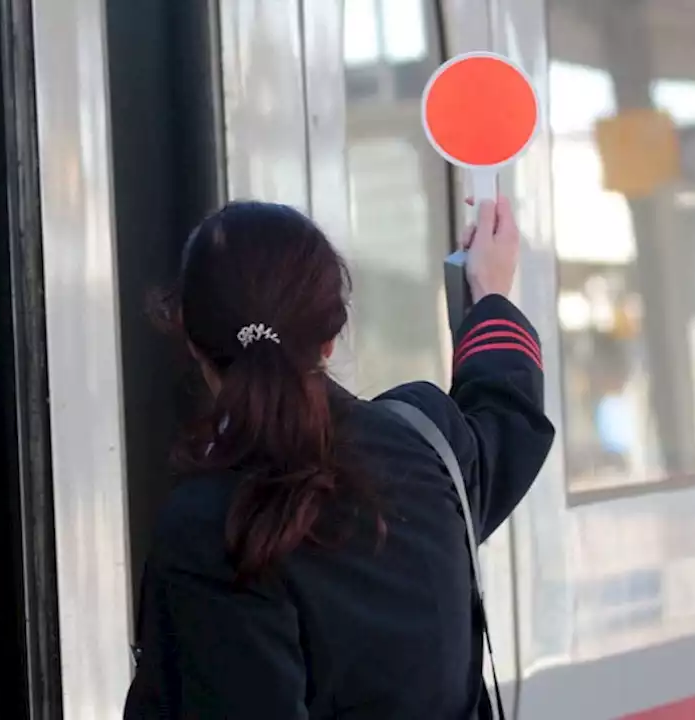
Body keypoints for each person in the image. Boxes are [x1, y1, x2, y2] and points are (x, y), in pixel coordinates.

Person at [123, 197, 555, 719]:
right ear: (330, 338)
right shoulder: (428, 445)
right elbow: (507, 413)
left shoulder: (205, 529)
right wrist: (487, 294)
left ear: (189, 335)